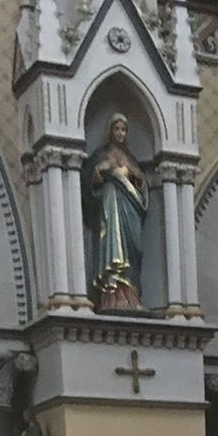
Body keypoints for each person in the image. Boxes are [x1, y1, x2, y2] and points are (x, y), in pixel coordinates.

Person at [83, 113, 148, 311]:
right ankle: (111, 297)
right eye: (117, 129)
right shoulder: (101, 154)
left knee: (132, 247)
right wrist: (101, 170)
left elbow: (141, 186)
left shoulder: (131, 159)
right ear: (110, 131)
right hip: (110, 205)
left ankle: (131, 297)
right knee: (112, 245)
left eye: (123, 129)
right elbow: (90, 180)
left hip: (130, 209)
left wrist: (135, 175)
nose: (120, 133)